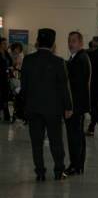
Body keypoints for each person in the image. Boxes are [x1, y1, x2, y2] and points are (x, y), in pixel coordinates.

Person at [20, 28, 72, 181]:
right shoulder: (58, 62)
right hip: (53, 110)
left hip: (33, 108)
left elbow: (24, 87)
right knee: (56, 141)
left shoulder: (28, 60)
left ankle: (40, 172)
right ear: (53, 43)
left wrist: (24, 107)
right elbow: (64, 87)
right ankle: (58, 171)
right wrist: (68, 107)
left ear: (38, 41)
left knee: (36, 143)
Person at [65, 31, 91, 175]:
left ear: (81, 43)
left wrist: (70, 107)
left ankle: (74, 165)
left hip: (75, 105)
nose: (70, 44)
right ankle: (78, 164)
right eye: (69, 41)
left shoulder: (80, 59)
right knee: (78, 135)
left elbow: (77, 86)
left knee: (74, 136)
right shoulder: (77, 58)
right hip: (78, 105)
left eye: (73, 41)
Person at [0, 37, 12, 122]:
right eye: (4, 43)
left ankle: (7, 116)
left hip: (6, 77)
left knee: (5, 96)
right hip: (0, 77)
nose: (5, 45)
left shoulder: (6, 53)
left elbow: (10, 62)